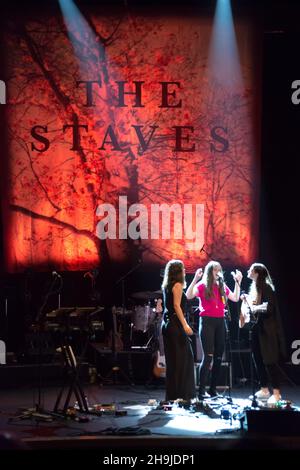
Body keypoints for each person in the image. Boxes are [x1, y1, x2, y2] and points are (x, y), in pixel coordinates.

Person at [186, 260, 242, 399]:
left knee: (218, 357)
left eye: (219, 269)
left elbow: (235, 298)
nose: (218, 272)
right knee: (208, 357)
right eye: (215, 270)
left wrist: (238, 282)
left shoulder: (222, 286)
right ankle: (201, 391)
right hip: (207, 322)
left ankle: (212, 389)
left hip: (220, 322)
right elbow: (188, 295)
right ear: (210, 272)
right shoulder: (202, 285)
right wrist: (195, 279)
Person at [239, 263, 286, 405]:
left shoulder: (266, 287)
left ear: (257, 273)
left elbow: (269, 307)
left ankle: (277, 393)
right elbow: (253, 309)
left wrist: (254, 308)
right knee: (258, 359)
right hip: (256, 330)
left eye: (251, 269)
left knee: (270, 361)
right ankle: (264, 389)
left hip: (267, 330)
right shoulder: (254, 289)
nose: (248, 271)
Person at [161, 259, 196, 401]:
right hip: (175, 325)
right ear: (177, 272)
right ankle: (182, 395)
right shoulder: (177, 285)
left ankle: (174, 395)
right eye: (183, 269)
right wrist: (185, 325)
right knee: (184, 360)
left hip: (168, 324)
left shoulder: (167, 286)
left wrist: (195, 280)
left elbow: (185, 298)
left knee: (174, 361)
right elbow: (177, 306)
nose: (185, 271)